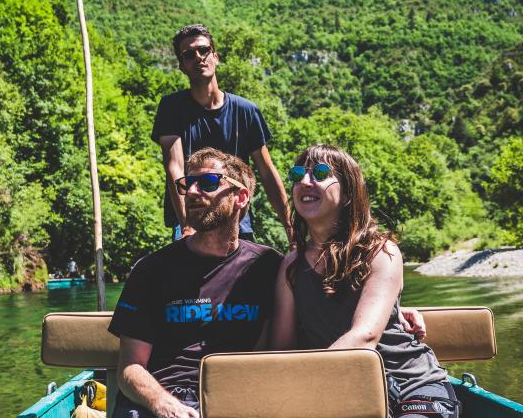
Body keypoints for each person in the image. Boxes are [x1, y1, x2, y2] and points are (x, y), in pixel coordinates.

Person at [271, 144, 460, 418]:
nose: (304, 182)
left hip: (411, 387)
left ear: (348, 193)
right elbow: (281, 348)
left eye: (320, 173)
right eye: (297, 175)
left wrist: (305, 381)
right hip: (342, 390)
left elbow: (365, 336)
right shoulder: (291, 265)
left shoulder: (381, 252)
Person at [108, 148, 283, 418]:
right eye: (188, 183)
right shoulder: (151, 270)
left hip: (237, 396)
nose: (191, 191)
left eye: (208, 183)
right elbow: (130, 367)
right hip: (161, 399)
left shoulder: (269, 266)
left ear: (241, 197)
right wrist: (164, 405)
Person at [151, 24, 292, 244]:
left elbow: (266, 170)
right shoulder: (171, 108)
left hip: (235, 216)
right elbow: (174, 167)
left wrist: (290, 226)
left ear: (215, 57)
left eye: (203, 50)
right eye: (189, 55)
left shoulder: (246, 110)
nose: (198, 57)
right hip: (192, 213)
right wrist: (187, 224)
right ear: (181, 66)